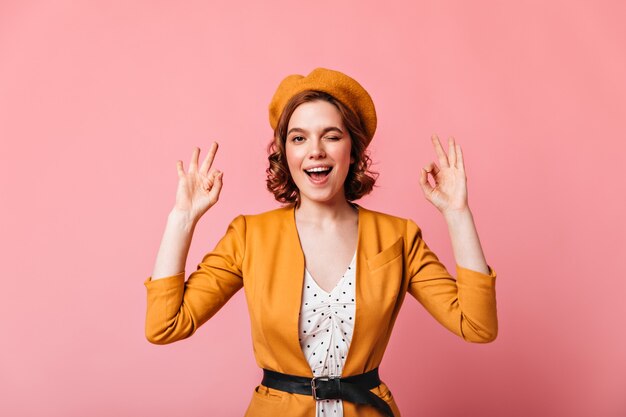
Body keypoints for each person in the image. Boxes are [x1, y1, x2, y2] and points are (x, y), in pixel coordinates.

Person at [144, 67, 498, 417]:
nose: (315, 150)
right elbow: (164, 325)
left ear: (353, 150)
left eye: (331, 136)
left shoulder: (398, 237)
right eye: (299, 138)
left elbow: (477, 325)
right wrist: (182, 219)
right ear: (285, 153)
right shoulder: (249, 236)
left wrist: (457, 214)